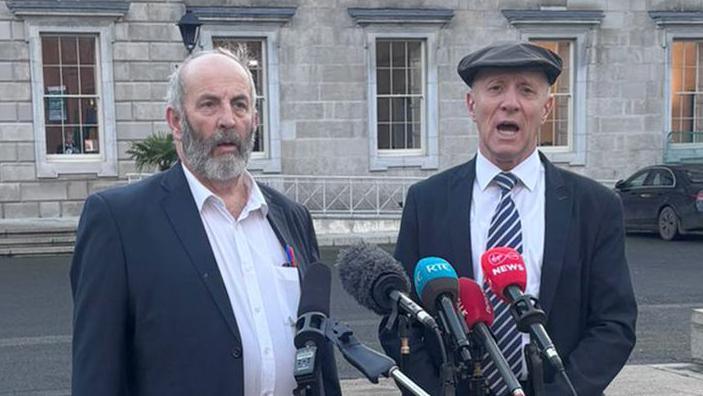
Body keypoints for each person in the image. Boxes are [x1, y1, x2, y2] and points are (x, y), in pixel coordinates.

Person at [70, 48, 341, 395]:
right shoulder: (119, 221)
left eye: (240, 105)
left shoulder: (291, 217)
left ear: (254, 120)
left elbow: (320, 355)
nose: (227, 119)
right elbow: (97, 375)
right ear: (176, 121)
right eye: (209, 104)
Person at [381, 42, 637, 395]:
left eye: (526, 90)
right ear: (472, 104)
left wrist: (563, 391)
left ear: (546, 108)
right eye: (496, 88)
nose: (510, 102)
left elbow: (614, 323)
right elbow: (402, 318)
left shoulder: (595, 206)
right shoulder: (427, 201)